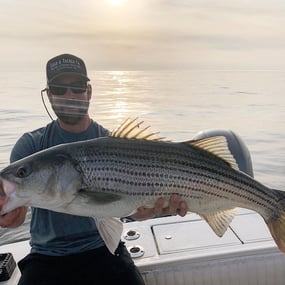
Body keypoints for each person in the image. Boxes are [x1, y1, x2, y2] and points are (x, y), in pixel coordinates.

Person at [0, 54, 188, 285]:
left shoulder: (113, 143)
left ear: (88, 91)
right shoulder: (31, 147)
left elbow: (129, 210)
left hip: (103, 249)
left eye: (77, 87)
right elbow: (16, 215)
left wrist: (146, 211)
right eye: (60, 88)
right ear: (49, 95)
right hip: (47, 256)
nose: (70, 95)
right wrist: (8, 214)